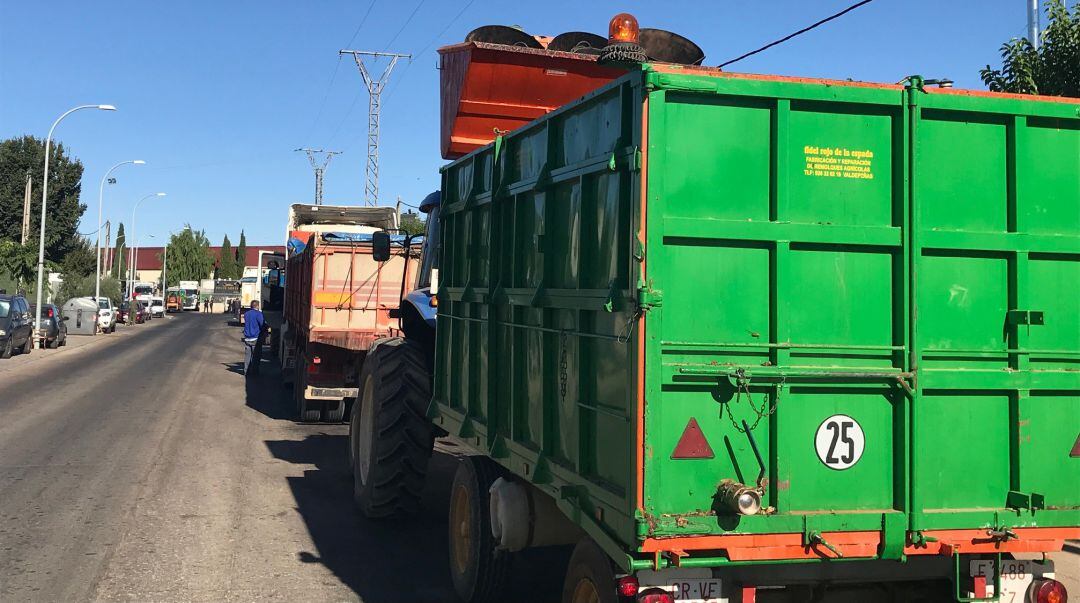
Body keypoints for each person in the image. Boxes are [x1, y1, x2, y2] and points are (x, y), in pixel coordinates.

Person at [242, 300, 267, 376]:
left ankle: (246, 371)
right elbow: (262, 324)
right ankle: (254, 372)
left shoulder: (246, 314)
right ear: (257, 306)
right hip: (255, 338)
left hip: (247, 338)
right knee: (256, 357)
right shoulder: (258, 314)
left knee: (247, 356)